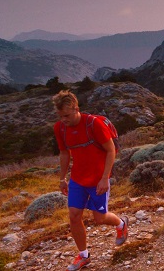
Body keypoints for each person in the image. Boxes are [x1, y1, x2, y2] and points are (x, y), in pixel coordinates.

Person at [52, 90, 128, 271]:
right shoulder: (60, 128)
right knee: (74, 216)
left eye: (67, 115)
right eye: (60, 116)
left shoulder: (94, 124)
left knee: (100, 219)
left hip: (98, 179)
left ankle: (121, 224)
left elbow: (110, 151)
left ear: (76, 108)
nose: (64, 119)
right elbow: (64, 153)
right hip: (78, 179)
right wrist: (63, 178)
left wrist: (104, 178)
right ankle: (83, 255)